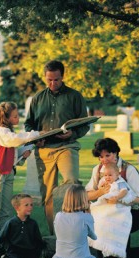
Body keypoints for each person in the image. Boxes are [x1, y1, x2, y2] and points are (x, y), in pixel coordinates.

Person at [24, 60, 89, 234]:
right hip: (44, 151)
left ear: (63, 77)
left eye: (56, 80)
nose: (53, 84)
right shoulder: (37, 98)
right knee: (48, 195)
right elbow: (28, 124)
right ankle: (56, 235)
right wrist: (35, 137)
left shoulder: (75, 96)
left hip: (67, 147)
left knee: (72, 184)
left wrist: (72, 134)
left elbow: (84, 125)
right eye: (49, 80)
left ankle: (75, 230)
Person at [0, 102, 41, 250]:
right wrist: (35, 134)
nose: (18, 118)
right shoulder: (1, 130)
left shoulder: (7, 132)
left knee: (5, 211)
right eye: (15, 116)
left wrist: (25, 151)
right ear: (5, 117)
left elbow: (12, 154)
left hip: (8, 173)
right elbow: (13, 140)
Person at [85, 137, 139, 258]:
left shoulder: (128, 169)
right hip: (107, 211)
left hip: (134, 211)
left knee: (113, 222)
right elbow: (87, 195)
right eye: (100, 157)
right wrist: (100, 192)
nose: (104, 160)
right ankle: (112, 256)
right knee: (98, 219)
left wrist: (118, 199)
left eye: (107, 155)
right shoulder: (97, 170)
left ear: (116, 153)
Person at [37, 184, 102, 258]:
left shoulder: (59, 215)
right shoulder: (86, 217)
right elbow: (93, 237)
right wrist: (89, 214)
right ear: (84, 199)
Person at [89, 163, 136, 258]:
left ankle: (112, 255)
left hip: (117, 204)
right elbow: (100, 190)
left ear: (117, 175)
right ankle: (100, 247)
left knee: (112, 219)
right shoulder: (105, 182)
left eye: (110, 175)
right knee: (98, 215)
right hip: (106, 203)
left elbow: (124, 192)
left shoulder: (120, 182)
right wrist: (101, 188)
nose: (107, 177)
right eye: (105, 175)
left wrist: (117, 197)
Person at [0, 194, 45, 258]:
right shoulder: (11, 223)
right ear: (17, 208)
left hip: (29, 252)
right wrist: (1, 251)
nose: (30, 207)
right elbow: (1, 238)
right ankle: (5, 257)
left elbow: (38, 240)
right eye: (26, 205)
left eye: (31, 205)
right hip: (14, 252)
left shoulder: (33, 223)